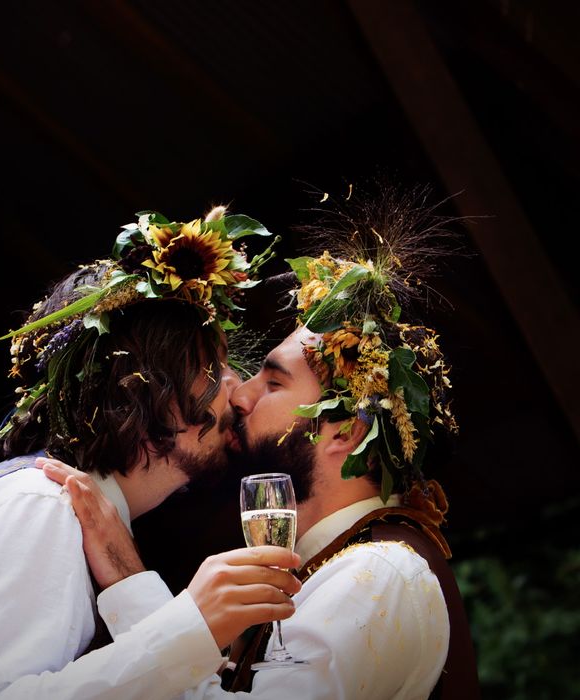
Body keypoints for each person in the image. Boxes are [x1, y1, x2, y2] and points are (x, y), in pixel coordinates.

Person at [42, 190, 481, 698]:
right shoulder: (328, 565)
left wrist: (127, 577)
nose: (240, 394)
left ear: (346, 432)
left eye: (272, 383)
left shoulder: (380, 571)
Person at [0, 207, 302, 700]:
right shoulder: (38, 504)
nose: (238, 394)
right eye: (211, 367)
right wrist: (185, 630)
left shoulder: (71, 512)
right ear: (144, 384)